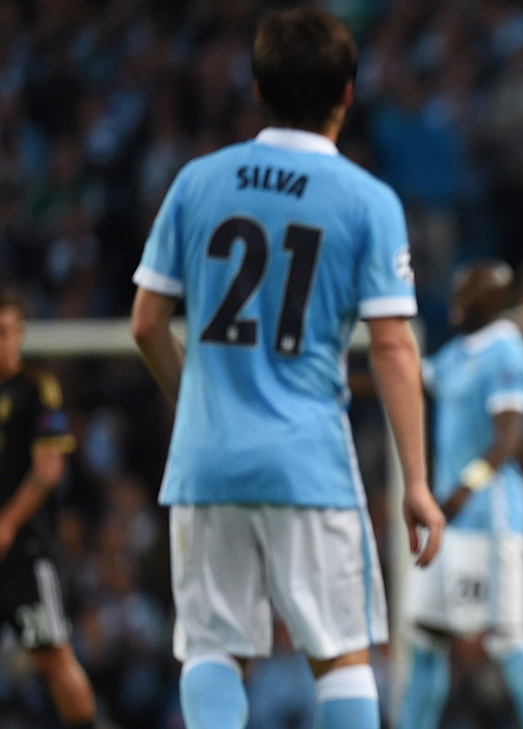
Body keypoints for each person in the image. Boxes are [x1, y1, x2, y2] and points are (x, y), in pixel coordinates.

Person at [129, 8, 446, 729]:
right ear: (347, 93)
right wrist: (419, 483)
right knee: (341, 654)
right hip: (307, 460)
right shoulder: (368, 200)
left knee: (211, 648)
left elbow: (146, 322)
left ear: (256, 86)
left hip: (206, 461)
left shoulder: (196, 182)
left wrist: (197, 401)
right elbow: (394, 346)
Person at [398, 261, 523, 729]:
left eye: (468, 293)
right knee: (427, 638)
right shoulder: (456, 355)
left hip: (488, 515)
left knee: (506, 638)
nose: (457, 299)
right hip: (448, 519)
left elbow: (510, 438)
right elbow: (406, 382)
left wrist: (466, 486)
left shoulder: (507, 354)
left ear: (493, 300)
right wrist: (336, 382)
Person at [0, 291, 97, 729]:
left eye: (4, 332)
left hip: (26, 551)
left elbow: (49, 468)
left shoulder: (38, 389)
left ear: (19, 335)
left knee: (52, 656)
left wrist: (6, 523)